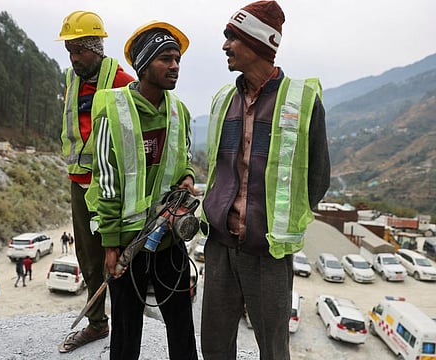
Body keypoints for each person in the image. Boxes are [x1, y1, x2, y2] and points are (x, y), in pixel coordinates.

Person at [200, 1, 331, 359]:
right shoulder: (223, 100)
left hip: (269, 251)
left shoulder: (301, 101)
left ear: (257, 44)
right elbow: (218, 169)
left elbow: (317, 176)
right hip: (221, 245)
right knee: (213, 345)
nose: (225, 46)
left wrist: (278, 219)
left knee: (273, 349)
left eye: (233, 38)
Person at [88, 20, 198, 359]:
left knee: (181, 322)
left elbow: (186, 159)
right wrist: (109, 246)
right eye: (166, 58)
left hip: (169, 237)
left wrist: (189, 178)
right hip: (126, 244)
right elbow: (107, 182)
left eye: (177, 59)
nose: (175, 66)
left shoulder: (178, 112)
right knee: (126, 327)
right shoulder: (114, 110)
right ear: (144, 64)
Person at [55, 10, 134, 353]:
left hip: (108, 186)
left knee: (115, 257)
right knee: (88, 258)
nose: (73, 59)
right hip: (78, 181)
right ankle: (98, 324)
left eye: (79, 51)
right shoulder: (72, 80)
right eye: (69, 51)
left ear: (96, 47)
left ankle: (128, 325)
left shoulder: (120, 81)